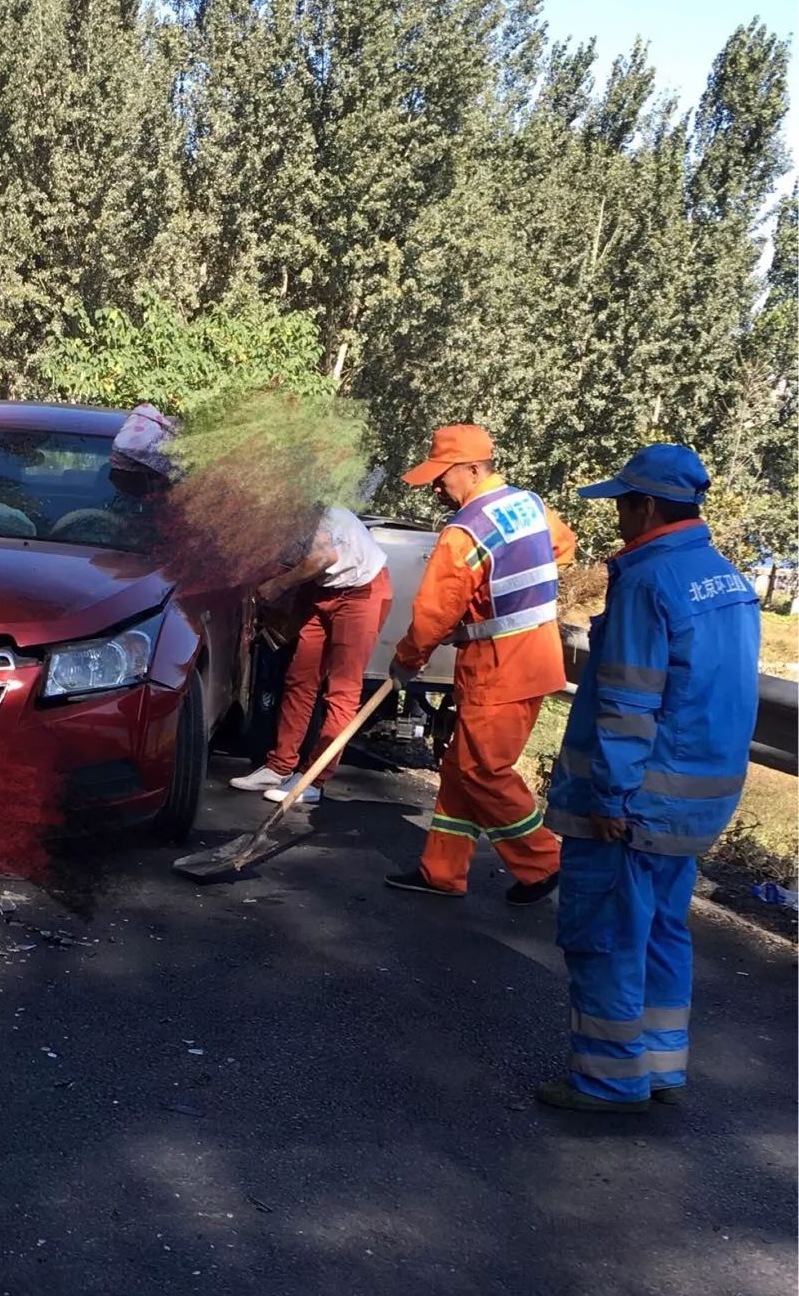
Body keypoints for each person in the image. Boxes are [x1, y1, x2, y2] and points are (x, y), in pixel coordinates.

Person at [537, 444, 760, 1113]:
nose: (618, 518)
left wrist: (610, 795)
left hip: (635, 804)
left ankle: (608, 1078)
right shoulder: (726, 578)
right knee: (662, 931)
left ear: (649, 506)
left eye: (624, 504)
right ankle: (660, 1067)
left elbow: (629, 701)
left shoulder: (645, 582)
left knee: (605, 934)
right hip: (697, 800)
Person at [385, 424, 576, 904]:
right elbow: (562, 547)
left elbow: (432, 613)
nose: (435, 488)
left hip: (498, 668)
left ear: (472, 469)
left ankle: (542, 862)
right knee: (460, 766)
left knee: (483, 771)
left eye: (441, 476)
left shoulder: (463, 531)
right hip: (534, 657)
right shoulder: (528, 505)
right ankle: (441, 871)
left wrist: (406, 661)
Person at [230, 506, 393, 806]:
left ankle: (313, 779)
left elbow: (322, 558)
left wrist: (278, 585)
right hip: (324, 590)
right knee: (299, 678)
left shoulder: (317, 509)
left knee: (341, 691)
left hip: (362, 593)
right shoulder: (279, 513)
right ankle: (279, 767)